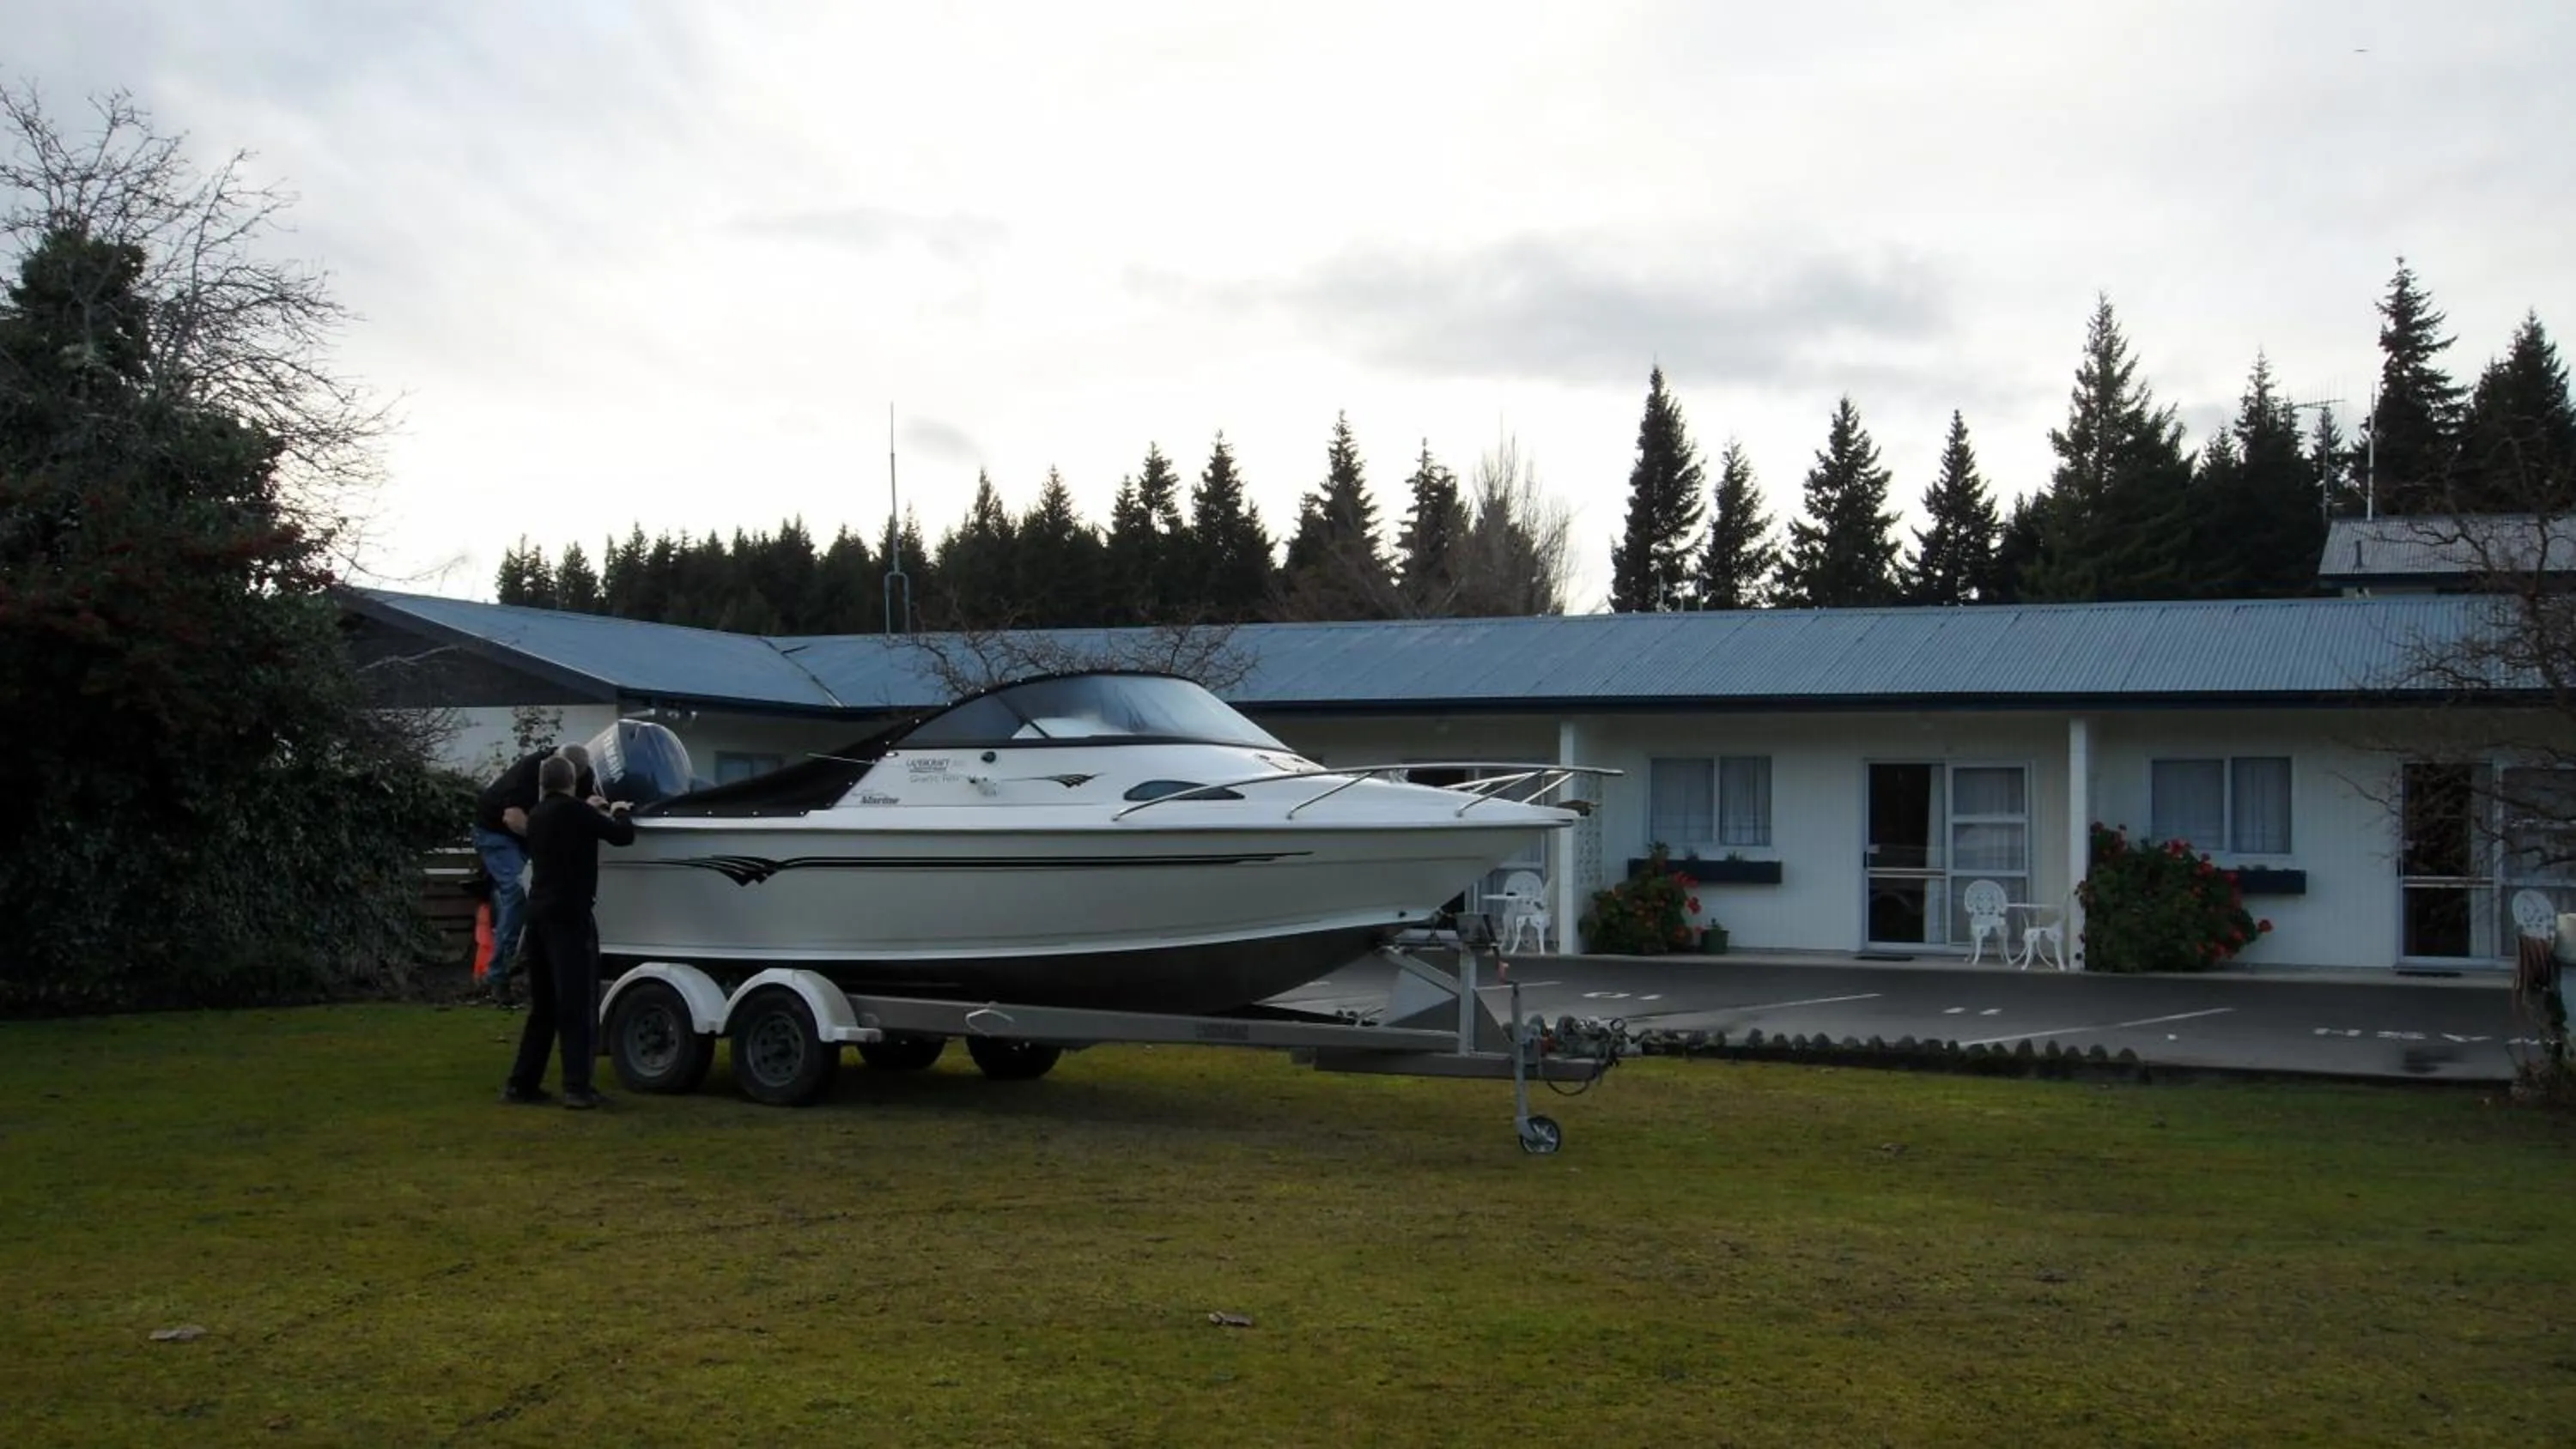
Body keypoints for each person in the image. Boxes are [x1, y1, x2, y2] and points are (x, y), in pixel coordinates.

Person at [501, 755, 635, 1110]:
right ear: (572, 781)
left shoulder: (538, 816)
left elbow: (570, 822)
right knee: (576, 1003)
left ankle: (522, 1083)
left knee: (543, 1007)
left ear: (544, 784)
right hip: (569, 916)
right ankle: (577, 1087)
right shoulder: (577, 813)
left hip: (538, 916)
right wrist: (619, 809)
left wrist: (588, 808)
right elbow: (622, 836)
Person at [470, 743, 597, 1001]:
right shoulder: (530, 771)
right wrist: (548, 839)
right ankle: (498, 975)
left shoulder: (585, 775)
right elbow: (513, 818)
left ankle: (534, 956)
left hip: (529, 836)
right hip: (498, 833)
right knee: (518, 890)